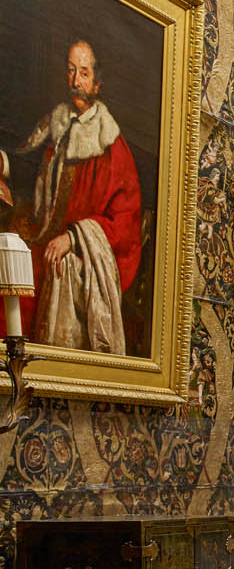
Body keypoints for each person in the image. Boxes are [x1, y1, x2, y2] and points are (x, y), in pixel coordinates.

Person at [3, 40, 144, 353]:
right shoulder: (57, 123)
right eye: (70, 72)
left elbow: (125, 222)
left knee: (56, 269)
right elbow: (29, 165)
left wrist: (75, 238)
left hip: (79, 255)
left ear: (97, 83)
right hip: (43, 238)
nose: (75, 82)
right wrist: (4, 163)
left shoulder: (111, 146)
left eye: (83, 73)